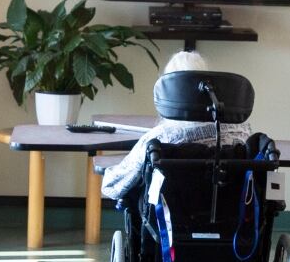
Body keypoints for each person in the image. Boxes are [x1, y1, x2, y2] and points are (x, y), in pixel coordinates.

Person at [100, 50, 252, 201]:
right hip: (232, 219)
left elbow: (113, 187)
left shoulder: (159, 138)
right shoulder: (243, 133)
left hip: (169, 221)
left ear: (170, 92)